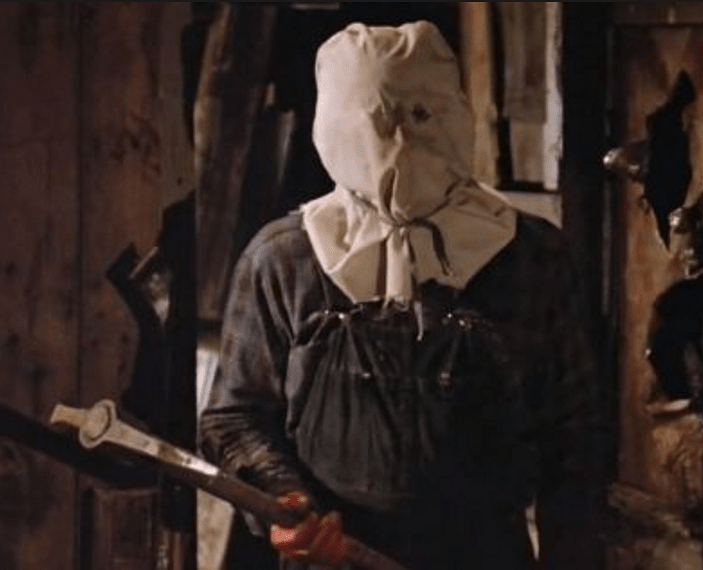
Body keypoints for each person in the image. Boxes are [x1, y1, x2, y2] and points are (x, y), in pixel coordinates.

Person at [199, 21, 604, 570]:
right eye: (380, 122)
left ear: (456, 113)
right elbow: (234, 416)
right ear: (337, 125)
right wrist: (286, 500)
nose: (403, 142)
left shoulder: (531, 257)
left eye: (423, 115)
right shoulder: (284, 261)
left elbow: (575, 440)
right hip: (334, 559)